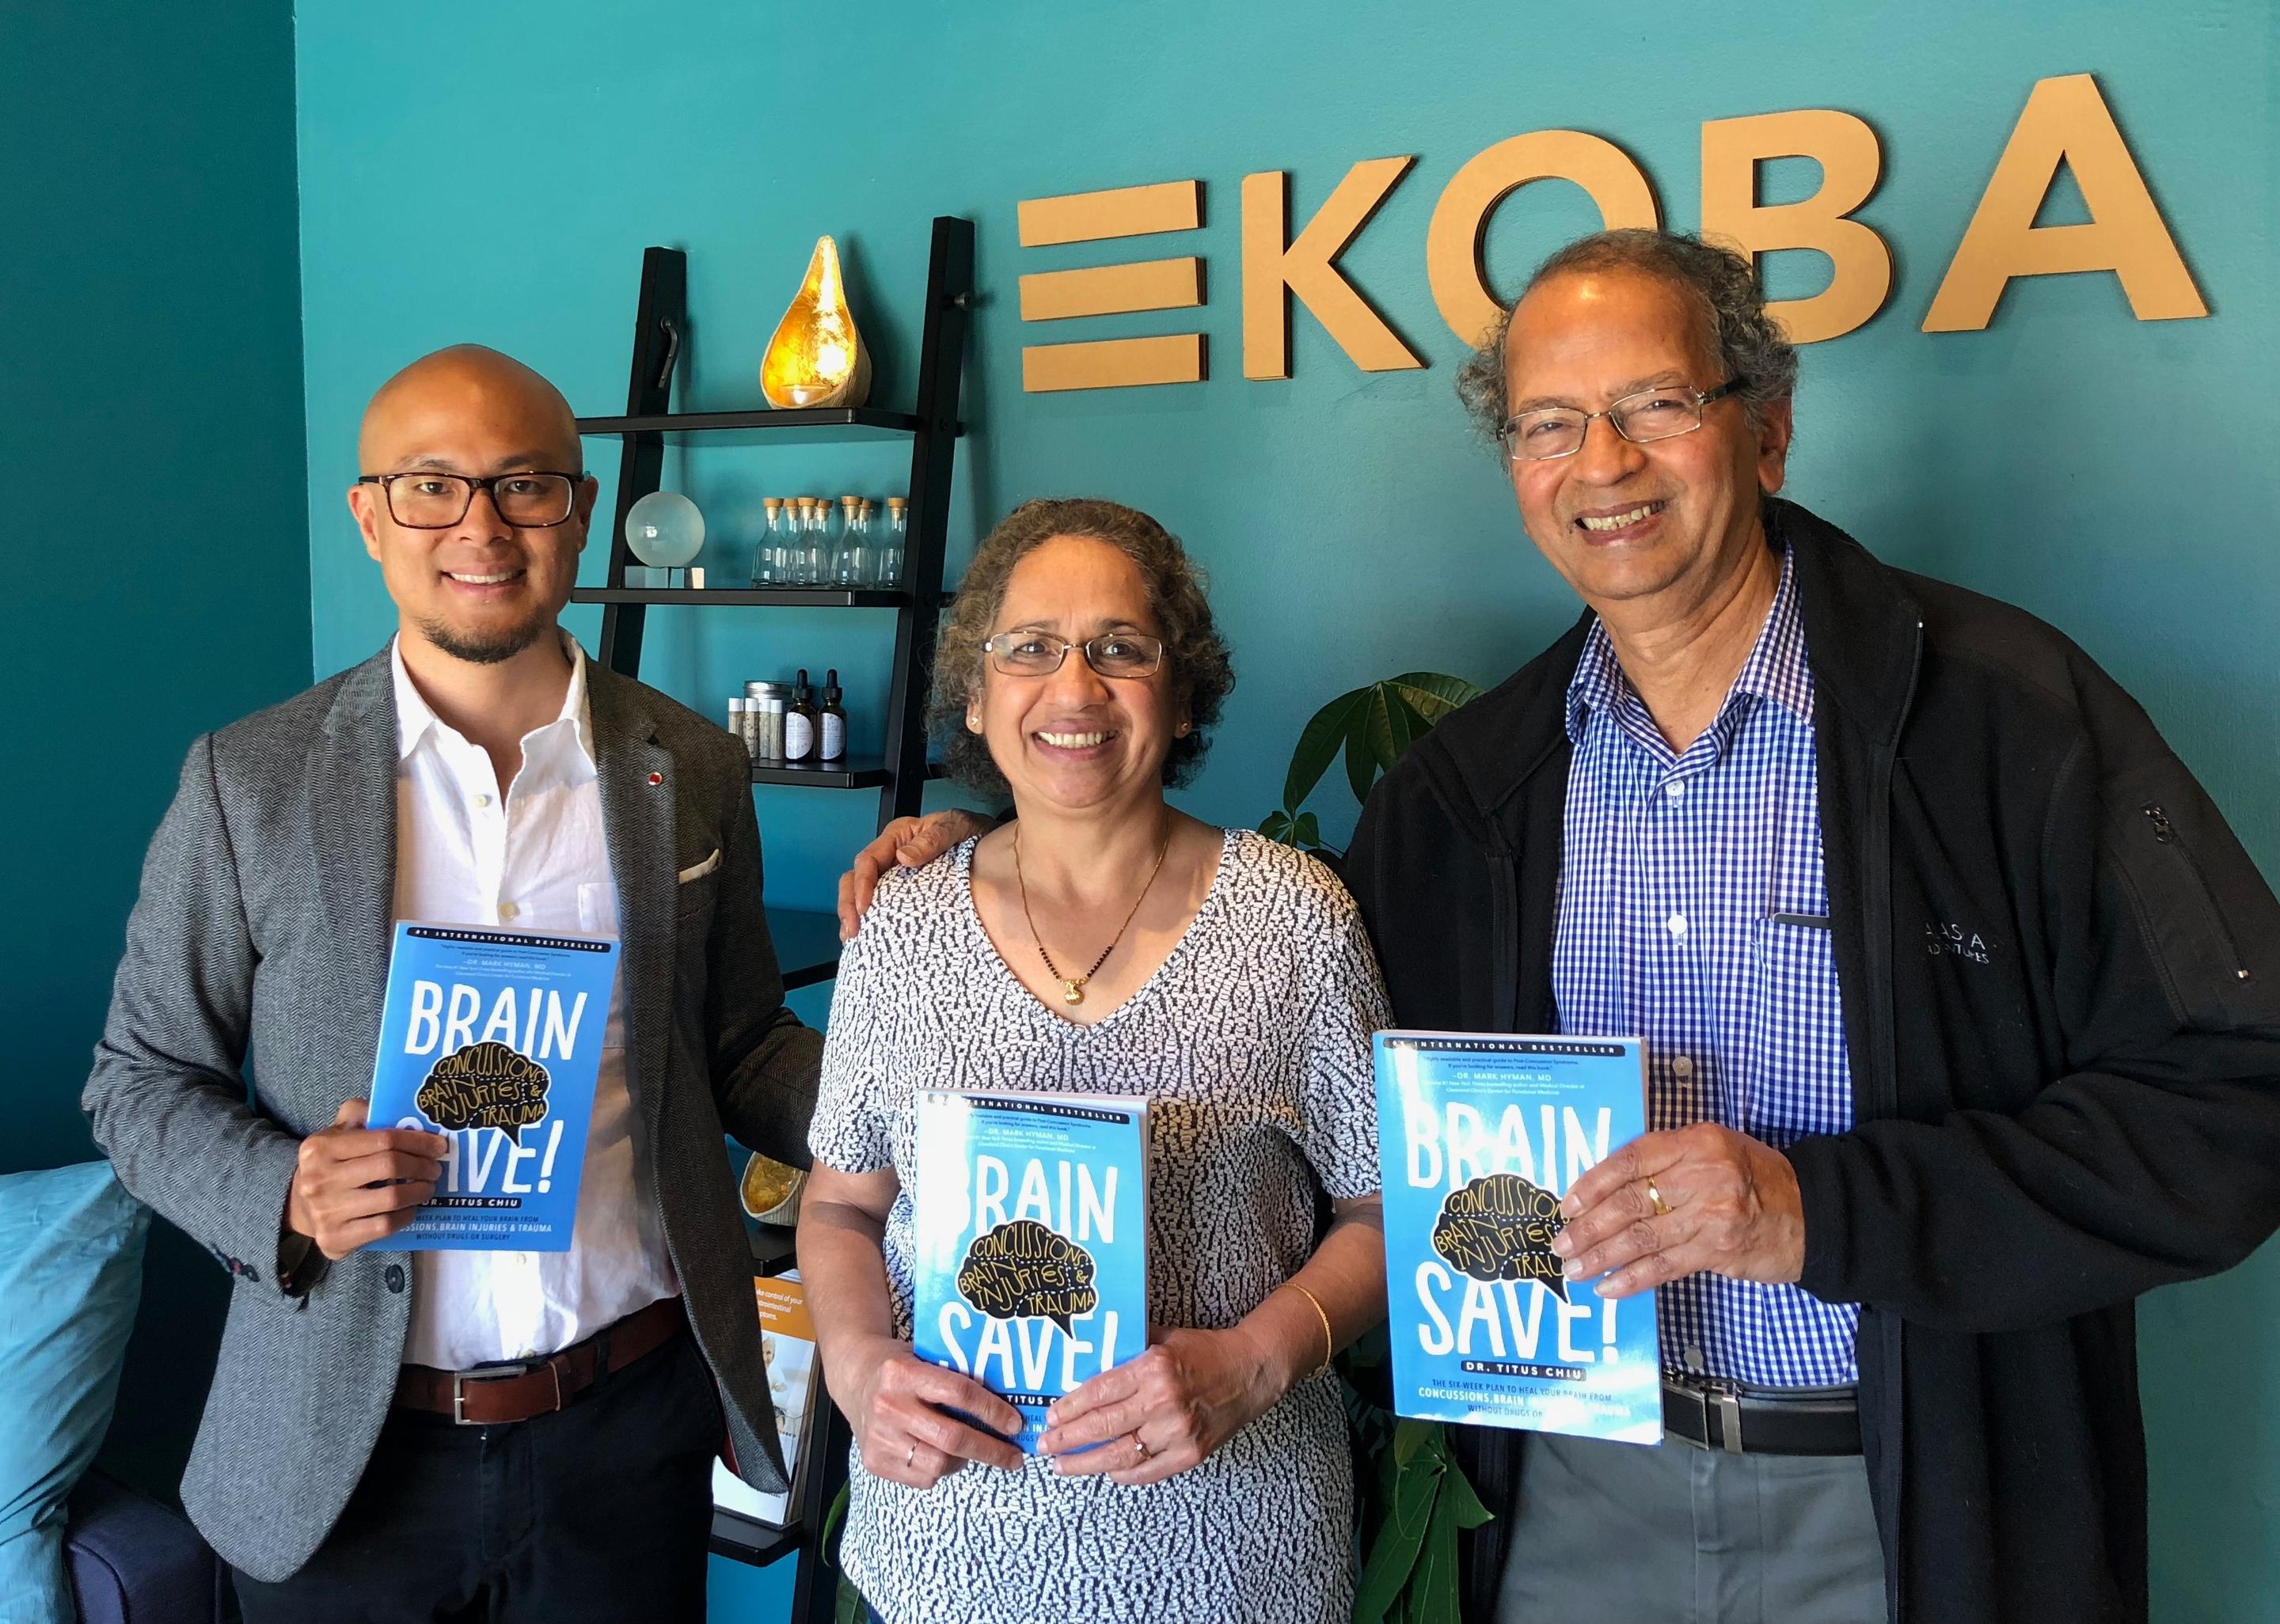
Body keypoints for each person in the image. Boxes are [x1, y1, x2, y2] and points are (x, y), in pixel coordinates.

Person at [845, 234, 2280, 1624]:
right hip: (1572, 1506)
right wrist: (1012, 844)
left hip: (1913, 1497)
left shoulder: (2003, 722)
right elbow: (1268, 992)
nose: (1603, 463)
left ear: (1769, 430)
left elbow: (2238, 1097)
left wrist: (1819, 1211)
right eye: (1550, 424)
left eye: (1655, 404)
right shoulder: (1468, 792)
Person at [85, 345, 823, 1621]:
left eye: (524, 485)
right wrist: (284, 1190)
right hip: (341, 1453)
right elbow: (139, 1081)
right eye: (431, 486)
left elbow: (743, 1041)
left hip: (626, 1438)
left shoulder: (692, 765)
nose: (481, 527)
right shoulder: (248, 782)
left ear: (580, 511)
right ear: (370, 515)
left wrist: (925, 1103)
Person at [799, 498, 1391, 1624]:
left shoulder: (1295, 918)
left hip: (1237, 1553)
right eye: (1030, 648)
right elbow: (840, 1205)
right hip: (948, 1552)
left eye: (1121, 649)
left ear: (1183, 692)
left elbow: (1387, 1208)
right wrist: (858, 1365)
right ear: (978, 695)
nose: (1074, 689)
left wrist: (1256, 1362)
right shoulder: (900, 928)